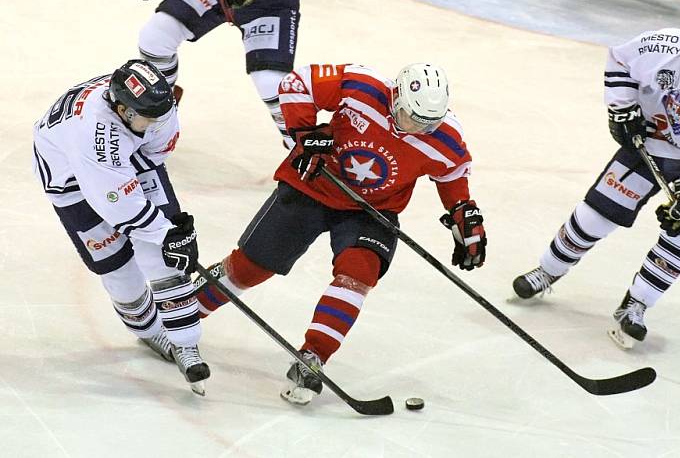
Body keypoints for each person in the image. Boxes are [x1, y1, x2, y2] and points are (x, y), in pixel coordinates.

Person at [193, 63, 487, 404]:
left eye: (428, 123)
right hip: (314, 182)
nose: (418, 128)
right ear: (396, 97)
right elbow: (296, 84)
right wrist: (305, 136)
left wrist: (464, 217)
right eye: (411, 117)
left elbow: (452, 177)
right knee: (251, 267)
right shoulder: (361, 85)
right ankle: (183, 314)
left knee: (358, 273)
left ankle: (313, 357)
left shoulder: (446, 136)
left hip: (371, 209)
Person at [512, 6, 680, 348]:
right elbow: (620, 59)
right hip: (649, 141)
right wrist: (621, 108)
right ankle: (548, 271)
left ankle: (636, 305)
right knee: (595, 214)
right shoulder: (664, 46)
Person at [32, 60, 210, 394]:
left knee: (164, 254)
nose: (156, 121)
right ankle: (150, 331)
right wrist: (166, 232)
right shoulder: (94, 132)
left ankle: (187, 343)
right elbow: (113, 201)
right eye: (148, 117)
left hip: (122, 162)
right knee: (116, 266)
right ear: (121, 109)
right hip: (67, 177)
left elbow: (155, 152)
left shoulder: (159, 105)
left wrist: (166, 234)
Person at [137, 0, 300, 148]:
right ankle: (159, 114)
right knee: (156, 36)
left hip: (267, 4)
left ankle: (303, 148)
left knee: (270, 82)